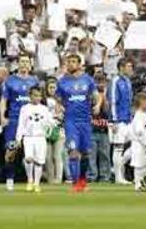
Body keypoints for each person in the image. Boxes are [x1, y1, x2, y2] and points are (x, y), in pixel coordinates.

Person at [57, 51, 102, 192]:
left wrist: (98, 105)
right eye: (68, 62)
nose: (70, 64)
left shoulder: (87, 80)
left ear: (79, 64)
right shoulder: (62, 81)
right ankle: (75, 183)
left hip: (85, 120)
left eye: (73, 62)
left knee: (85, 152)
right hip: (71, 121)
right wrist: (59, 107)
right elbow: (58, 99)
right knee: (73, 151)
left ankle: (82, 181)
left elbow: (97, 95)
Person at [1, 54, 39, 190]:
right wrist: (3, 117)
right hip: (14, 119)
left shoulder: (34, 81)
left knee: (32, 152)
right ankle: (9, 179)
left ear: (30, 64)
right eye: (22, 61)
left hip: (30, 121)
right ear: (17, 64)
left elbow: (38, 100)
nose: (24, 64)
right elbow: (4, 100)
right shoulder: (10, 80)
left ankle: (33, 180)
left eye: (26, 62)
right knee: (11, 150)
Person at [16, 85, 53, 193]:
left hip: (40, 137)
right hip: (28, 137)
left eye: (39, 96)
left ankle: (36, 183)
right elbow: (21, 124)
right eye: (35, 95)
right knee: (28, 158)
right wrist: (18, 138)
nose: (37, 98)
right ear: (30, 96)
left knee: (39, 161)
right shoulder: (25, 109)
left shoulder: (44, 109)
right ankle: (30, 180)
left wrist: (55, 126)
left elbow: (50, 122)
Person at [108, 58, 134, 185]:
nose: (131, 69)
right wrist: (114, 120)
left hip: (128, 119)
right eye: (129, 66)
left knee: (136, 144)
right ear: (121, 67)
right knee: (118, 147)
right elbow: (113, 101)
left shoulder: (128, 81)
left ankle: (116, 168)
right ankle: (119, 177)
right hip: (118, 120)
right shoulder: (115, 81)